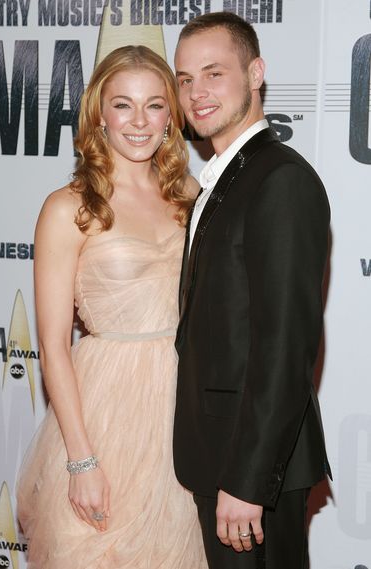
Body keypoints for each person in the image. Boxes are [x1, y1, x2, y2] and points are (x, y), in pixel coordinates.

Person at [16, 45, 207, 569]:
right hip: (103, 416)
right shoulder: (68, 207)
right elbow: (54, 345)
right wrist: (81, 460)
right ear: (99, 113)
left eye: (154, 104)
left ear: (172, 113)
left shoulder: (189, 194)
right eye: (123, 105)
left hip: (181, 415)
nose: (140, 122)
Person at [173, 12, 332, 569]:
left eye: (214, 73)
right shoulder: (223, 178)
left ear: (256, 71)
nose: (197, 93)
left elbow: (284, 350)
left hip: (251, 474)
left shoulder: (279, 180)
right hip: (217, 457)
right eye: (185, 79)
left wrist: (247, 483)